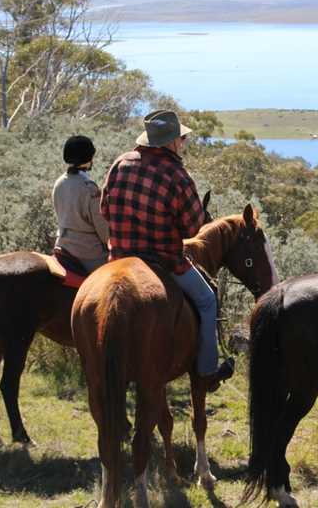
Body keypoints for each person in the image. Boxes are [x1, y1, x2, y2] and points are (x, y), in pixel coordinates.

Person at [100, 110, 233, 386]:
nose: (183, 143)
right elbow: (192, 228)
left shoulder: (120, 163)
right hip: (165, 262)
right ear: (171, 142)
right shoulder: (177, 174)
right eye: (181, 138)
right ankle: (207, 371)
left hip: (118, 259)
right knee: (208, 301)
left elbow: (104, 210)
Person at [52, 135, 110, 273]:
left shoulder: (59, 182)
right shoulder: (89, 188)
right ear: (88, 158)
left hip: (63, 246)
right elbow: (103, 231)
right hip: (88, 253)